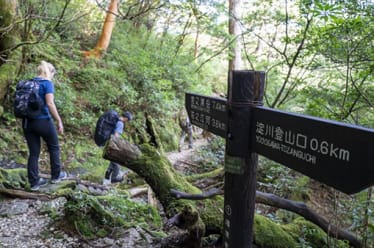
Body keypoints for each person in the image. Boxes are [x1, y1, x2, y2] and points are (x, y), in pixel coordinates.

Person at [23, 61, 67, 191]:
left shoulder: (29, 83)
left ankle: (34, 183)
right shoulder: (47, 83)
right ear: (50, 72)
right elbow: (50, 103)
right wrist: (59, 120)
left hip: (27, 122)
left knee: (34, 153)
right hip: (43, 121)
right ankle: (56, 176)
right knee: (54, 147)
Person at [103, 111, 133, 185]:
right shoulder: (120, 123)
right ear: (126, 118)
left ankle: (107, 176)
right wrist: (117, 145)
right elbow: (116, 135)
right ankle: (114, 178)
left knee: (113, 160)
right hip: (113, 144)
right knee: (117, 162)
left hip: (108, 143)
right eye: (128, 120)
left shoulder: (116, 120)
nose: (127, 121)